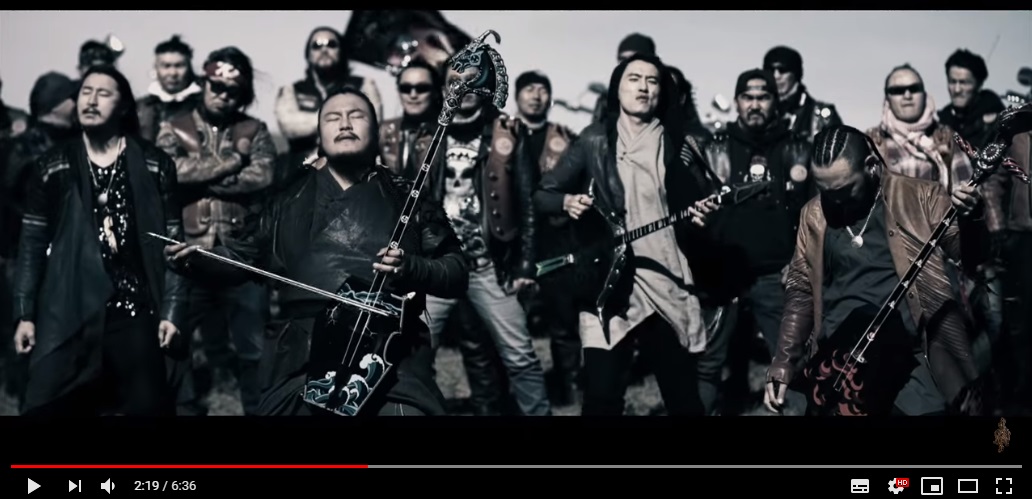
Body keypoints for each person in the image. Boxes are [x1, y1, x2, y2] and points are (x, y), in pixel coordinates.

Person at [165, 87, 467, 416]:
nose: (345, 124)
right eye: (333, 118)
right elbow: (240, 257)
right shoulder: (286, 197)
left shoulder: (407, 196)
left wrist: (412, 268)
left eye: (356, 116)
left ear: (377, 131)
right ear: (320, 135)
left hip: (388, 358)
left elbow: (455, 271)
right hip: (302, 356)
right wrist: (196, 259)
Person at [534, 54, 719, 415]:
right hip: (607, 280)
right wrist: (567, 201)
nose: (643, 87)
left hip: (665, 280)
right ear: (617, 88)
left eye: (652, 80)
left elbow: (704, 206)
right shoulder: (594, 140)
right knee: (601, 399)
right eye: (634, 78)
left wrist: (703, 217)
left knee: (682, 398)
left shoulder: (679, 143)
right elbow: (544, 194)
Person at [764, 125, 988, 416]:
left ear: (871, 166)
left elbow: (973, 258)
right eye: (825, 190)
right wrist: (783, 362)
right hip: (841, 364)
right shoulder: (814, 214)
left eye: (844, 189)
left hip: (912, 360)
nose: (834, 200)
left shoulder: (921, 196)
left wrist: (972, 219)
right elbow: (801, 292)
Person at [12, 65, 187, 416]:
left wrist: (171, 312)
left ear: (123, 106)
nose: (90, 101)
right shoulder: (52, 165)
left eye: (103, 93)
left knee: (148, 405)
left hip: (134, 307)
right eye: (85, 92)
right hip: (67, 307)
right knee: (43, 404)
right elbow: (31, 243)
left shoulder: (154, 164)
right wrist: (25, 313)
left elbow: (174, 246)